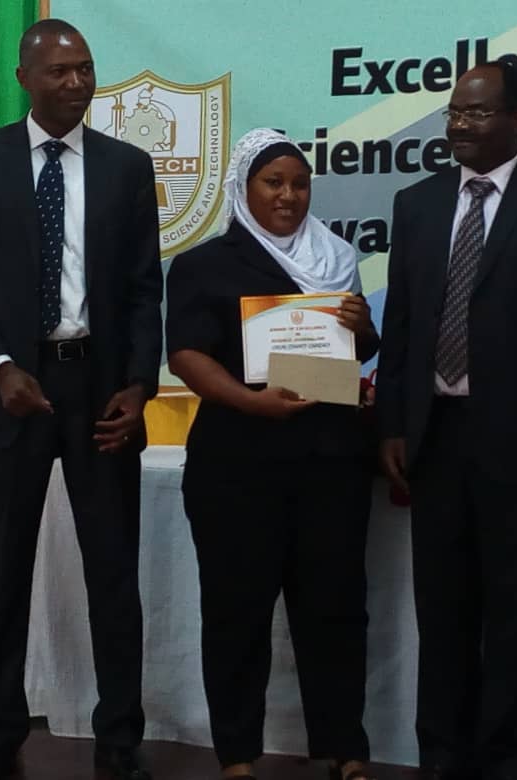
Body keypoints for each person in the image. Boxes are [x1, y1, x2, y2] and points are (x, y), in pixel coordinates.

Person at [0, 18, 162, 780]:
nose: (76, 83)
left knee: (112, 569)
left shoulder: (128, 167)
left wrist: (138, 385)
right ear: (25, 77)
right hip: (10, 389)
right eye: (60, 71)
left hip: (100, 387)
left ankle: (120, 733)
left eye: (86, 70)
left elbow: (140, 291)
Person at [377, 62, 517, 780]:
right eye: (453, 113)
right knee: (442, 611)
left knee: (516, 609)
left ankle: (510, 756)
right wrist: (391, 425)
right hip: (435, 436)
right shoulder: (415, 204)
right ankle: (442, 753)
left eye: (476, 115)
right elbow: (406, 324)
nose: (459, 126)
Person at [166, 128, 380, 780]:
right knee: (237, 611)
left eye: (300, 183)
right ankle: (237, 754)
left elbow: (357, 351)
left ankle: (346, 750)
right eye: (273, 182)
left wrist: (361, 329)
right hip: (237, 463)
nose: (289, 195)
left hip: (331, 461)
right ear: (244, 187)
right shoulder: (204, 264)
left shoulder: (336, 256)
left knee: (336, 609)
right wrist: (249, 401)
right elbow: (187, 355)